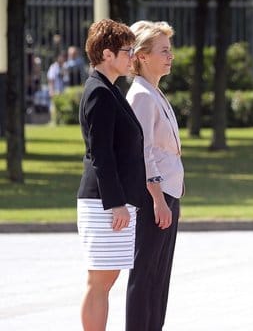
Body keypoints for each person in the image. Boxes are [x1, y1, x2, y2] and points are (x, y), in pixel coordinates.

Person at [76, 18, 147, 331]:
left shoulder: (109, 89)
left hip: (112, 199)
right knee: (100, 280)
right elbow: (100, 154)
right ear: (107, 54)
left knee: (107, 278)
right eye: (127, 51)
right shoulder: (100, 93)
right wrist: (116, 203)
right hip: (103, 201)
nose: (132, 57)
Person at [125, 20, 184, 331]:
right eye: (164, 51)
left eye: (170, 50)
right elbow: (144, 152)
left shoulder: (154, 92)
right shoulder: (141, 96)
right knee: (145, 275)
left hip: (169, 194)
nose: (170, 56)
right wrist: (158, 199)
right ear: (142, 56)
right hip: (155, 198)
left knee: (159, 278)